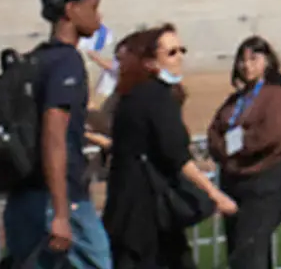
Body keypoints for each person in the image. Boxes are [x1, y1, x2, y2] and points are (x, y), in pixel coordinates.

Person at [103, 25, 240, 269]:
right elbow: (177, 155)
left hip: (129, 208)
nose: (179, 59)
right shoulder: (156, 98)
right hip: (147, 212)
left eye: (181, 50)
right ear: (150, 63)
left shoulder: (133, 97)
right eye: (171, 53)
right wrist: (214, 193)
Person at [5, 0, 111, 269]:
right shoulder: (67, 62)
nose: (98, 16)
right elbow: (54, 136)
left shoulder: (36, 60)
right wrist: (62, 213)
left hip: (24, 198)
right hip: (61, 200)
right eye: (92, 7)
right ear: (71, 9)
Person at [207, 36, 281, 269]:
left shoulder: (277, 95)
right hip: (234, 183)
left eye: (254, 59)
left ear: (267, 61)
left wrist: (237, 147)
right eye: (242, 60)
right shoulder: (236, 100)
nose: (247, 66)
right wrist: (225, 150)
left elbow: (270, 134)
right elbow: (214, 132)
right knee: (239, 250)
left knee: (250, 251)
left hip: (263, 182)